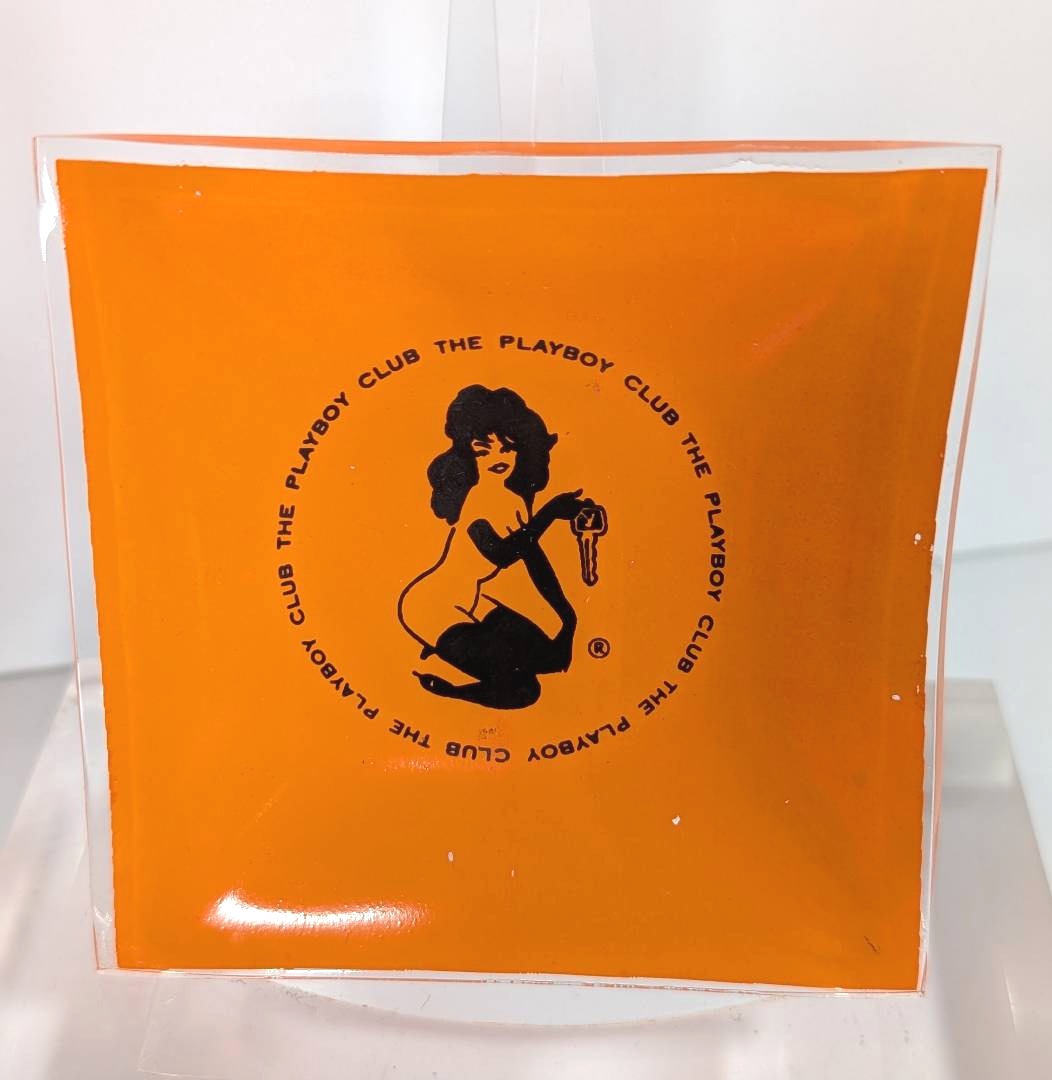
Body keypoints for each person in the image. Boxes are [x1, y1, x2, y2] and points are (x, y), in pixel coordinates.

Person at [397, 385, 592, 709]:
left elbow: (533, 556)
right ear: (466, 453)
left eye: (507, 448)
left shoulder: (511, 498)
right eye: (482, 450)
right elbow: (500, 553)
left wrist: (567, 615)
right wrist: (551, 513)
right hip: (434, 609)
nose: (498, 458)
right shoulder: (475, 498)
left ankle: (464, 656)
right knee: (525, 690)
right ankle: (450, 689)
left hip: (474, 602)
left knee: (553, 659)